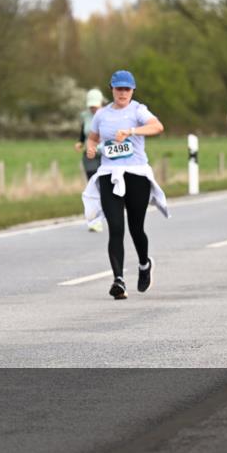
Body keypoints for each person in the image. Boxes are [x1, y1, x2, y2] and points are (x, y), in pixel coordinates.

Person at [81, 70, 167, 300]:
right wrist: (90, 147)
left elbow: (157, 126)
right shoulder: (102, 114)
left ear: (132, 91)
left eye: (127, 89)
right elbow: (93, 137)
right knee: (116, 227)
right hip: (110, 174)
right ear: (112, 89)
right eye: (119, 88)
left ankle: (144, 264)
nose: (122, 93)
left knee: (136, 228)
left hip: (136, 174)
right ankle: (118, 280)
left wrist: (131, 131)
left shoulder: (138, 110)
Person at [75, 88, 106, 232]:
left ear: (101, 103)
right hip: (90, 153)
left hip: (105, 154)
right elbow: (84, 131)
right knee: (93, 186)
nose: (93, 108)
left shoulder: (108, 114)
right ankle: (95, 220)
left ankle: (105, 216)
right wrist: (80, 142)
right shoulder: (86, 116)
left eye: (95, 105)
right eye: (91, 106)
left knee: (105, 186)